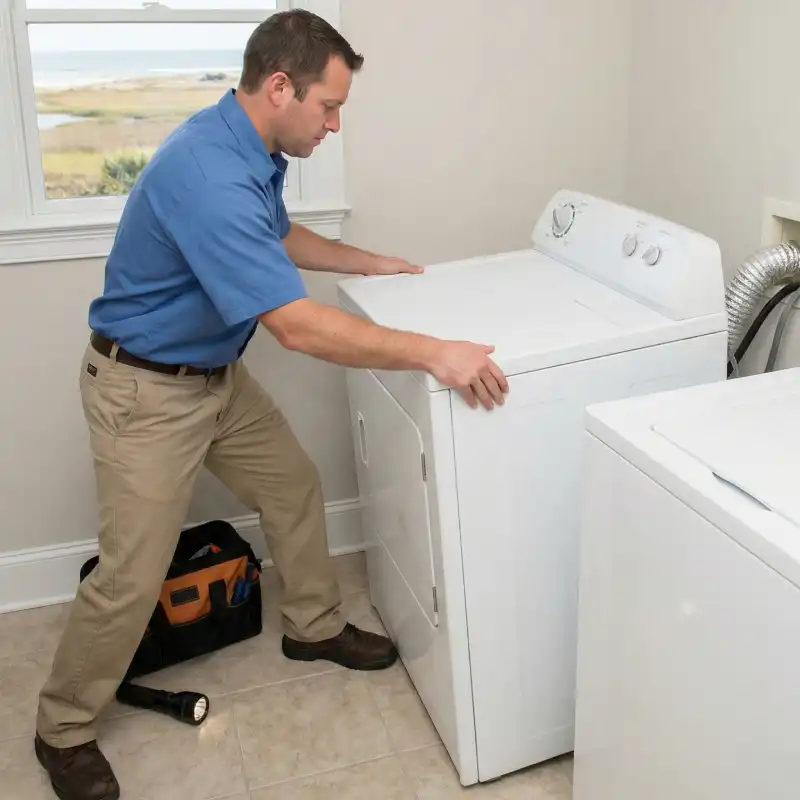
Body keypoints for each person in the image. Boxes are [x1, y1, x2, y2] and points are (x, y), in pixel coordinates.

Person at [33, 9, 508, 800]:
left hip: (212, 375)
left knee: (293, 486)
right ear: (280, 87)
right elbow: (294, 327)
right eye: (329, 106)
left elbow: (276, 234)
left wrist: (368, 263)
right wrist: (436, 351)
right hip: (144, 392)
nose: (334, 124)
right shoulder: (208, 175)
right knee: (131, 576)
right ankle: (62, 727)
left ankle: (312, 627)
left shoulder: (249, 147)